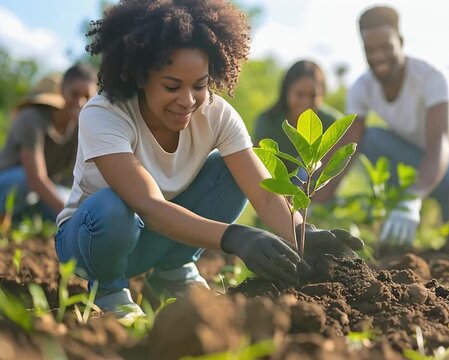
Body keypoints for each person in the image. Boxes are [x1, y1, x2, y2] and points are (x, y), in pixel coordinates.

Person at [54, 0, 363, 323]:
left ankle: (172, 273)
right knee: (112, 207)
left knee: (229, 172)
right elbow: (148, 206)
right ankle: (108, 291)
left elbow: (262, 190)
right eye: (172, 86)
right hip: (89, 240)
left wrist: (302, 232)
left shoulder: (216, 115)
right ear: (141, 77)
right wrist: (235, 237)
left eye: (199, 85)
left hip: (152, 239)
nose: (188, 100)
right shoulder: (104, 113)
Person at [346, 6, 449, 245]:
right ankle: (394, 228)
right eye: (370, 50)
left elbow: (440, 144)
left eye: (386, 47)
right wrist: (310, 199)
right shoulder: (361, 88)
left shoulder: (432, 76)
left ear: (400, 41)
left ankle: (445, 227)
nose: (378, 57)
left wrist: (411, 198)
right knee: (370, 138)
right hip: (410, 156)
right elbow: (347, 148)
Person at [0, 64, 97, 222]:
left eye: (86, 97)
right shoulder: (32, 119)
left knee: (76, 201)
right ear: (61, 91)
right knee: (24, 180)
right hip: (13, 183)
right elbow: (36, 179)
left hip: (37, 193)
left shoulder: (80, 129)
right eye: (74, 94)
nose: (79, 102)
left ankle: (20, 218)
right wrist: (76, 219)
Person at [253, 60, 343, 172]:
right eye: (300, 94)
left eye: (313, 95)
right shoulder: (267, 121)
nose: (306, 102)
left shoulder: (334, 124)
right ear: (287, 91)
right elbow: (257, 162)